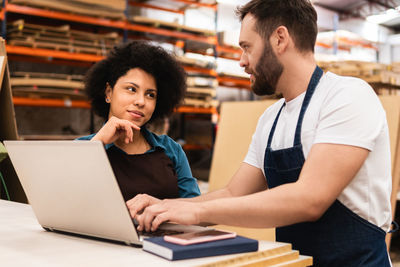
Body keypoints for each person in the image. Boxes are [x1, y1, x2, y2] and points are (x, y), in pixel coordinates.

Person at [126, 0, 393, 265]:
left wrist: (195, 212)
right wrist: (166, 207)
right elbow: (233, 194)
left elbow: (310, 199)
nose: (242, 61)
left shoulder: (347, 96)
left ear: (280, 38)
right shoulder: (271, 118)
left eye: (246, 47)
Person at [77, 41, 200, 202]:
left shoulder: (171, 150)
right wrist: (98, 144)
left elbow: (194, 207)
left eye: (150, 95)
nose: (141, 101)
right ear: (108, 92)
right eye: (131, 89)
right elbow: (63, 198)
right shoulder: (82, 148)